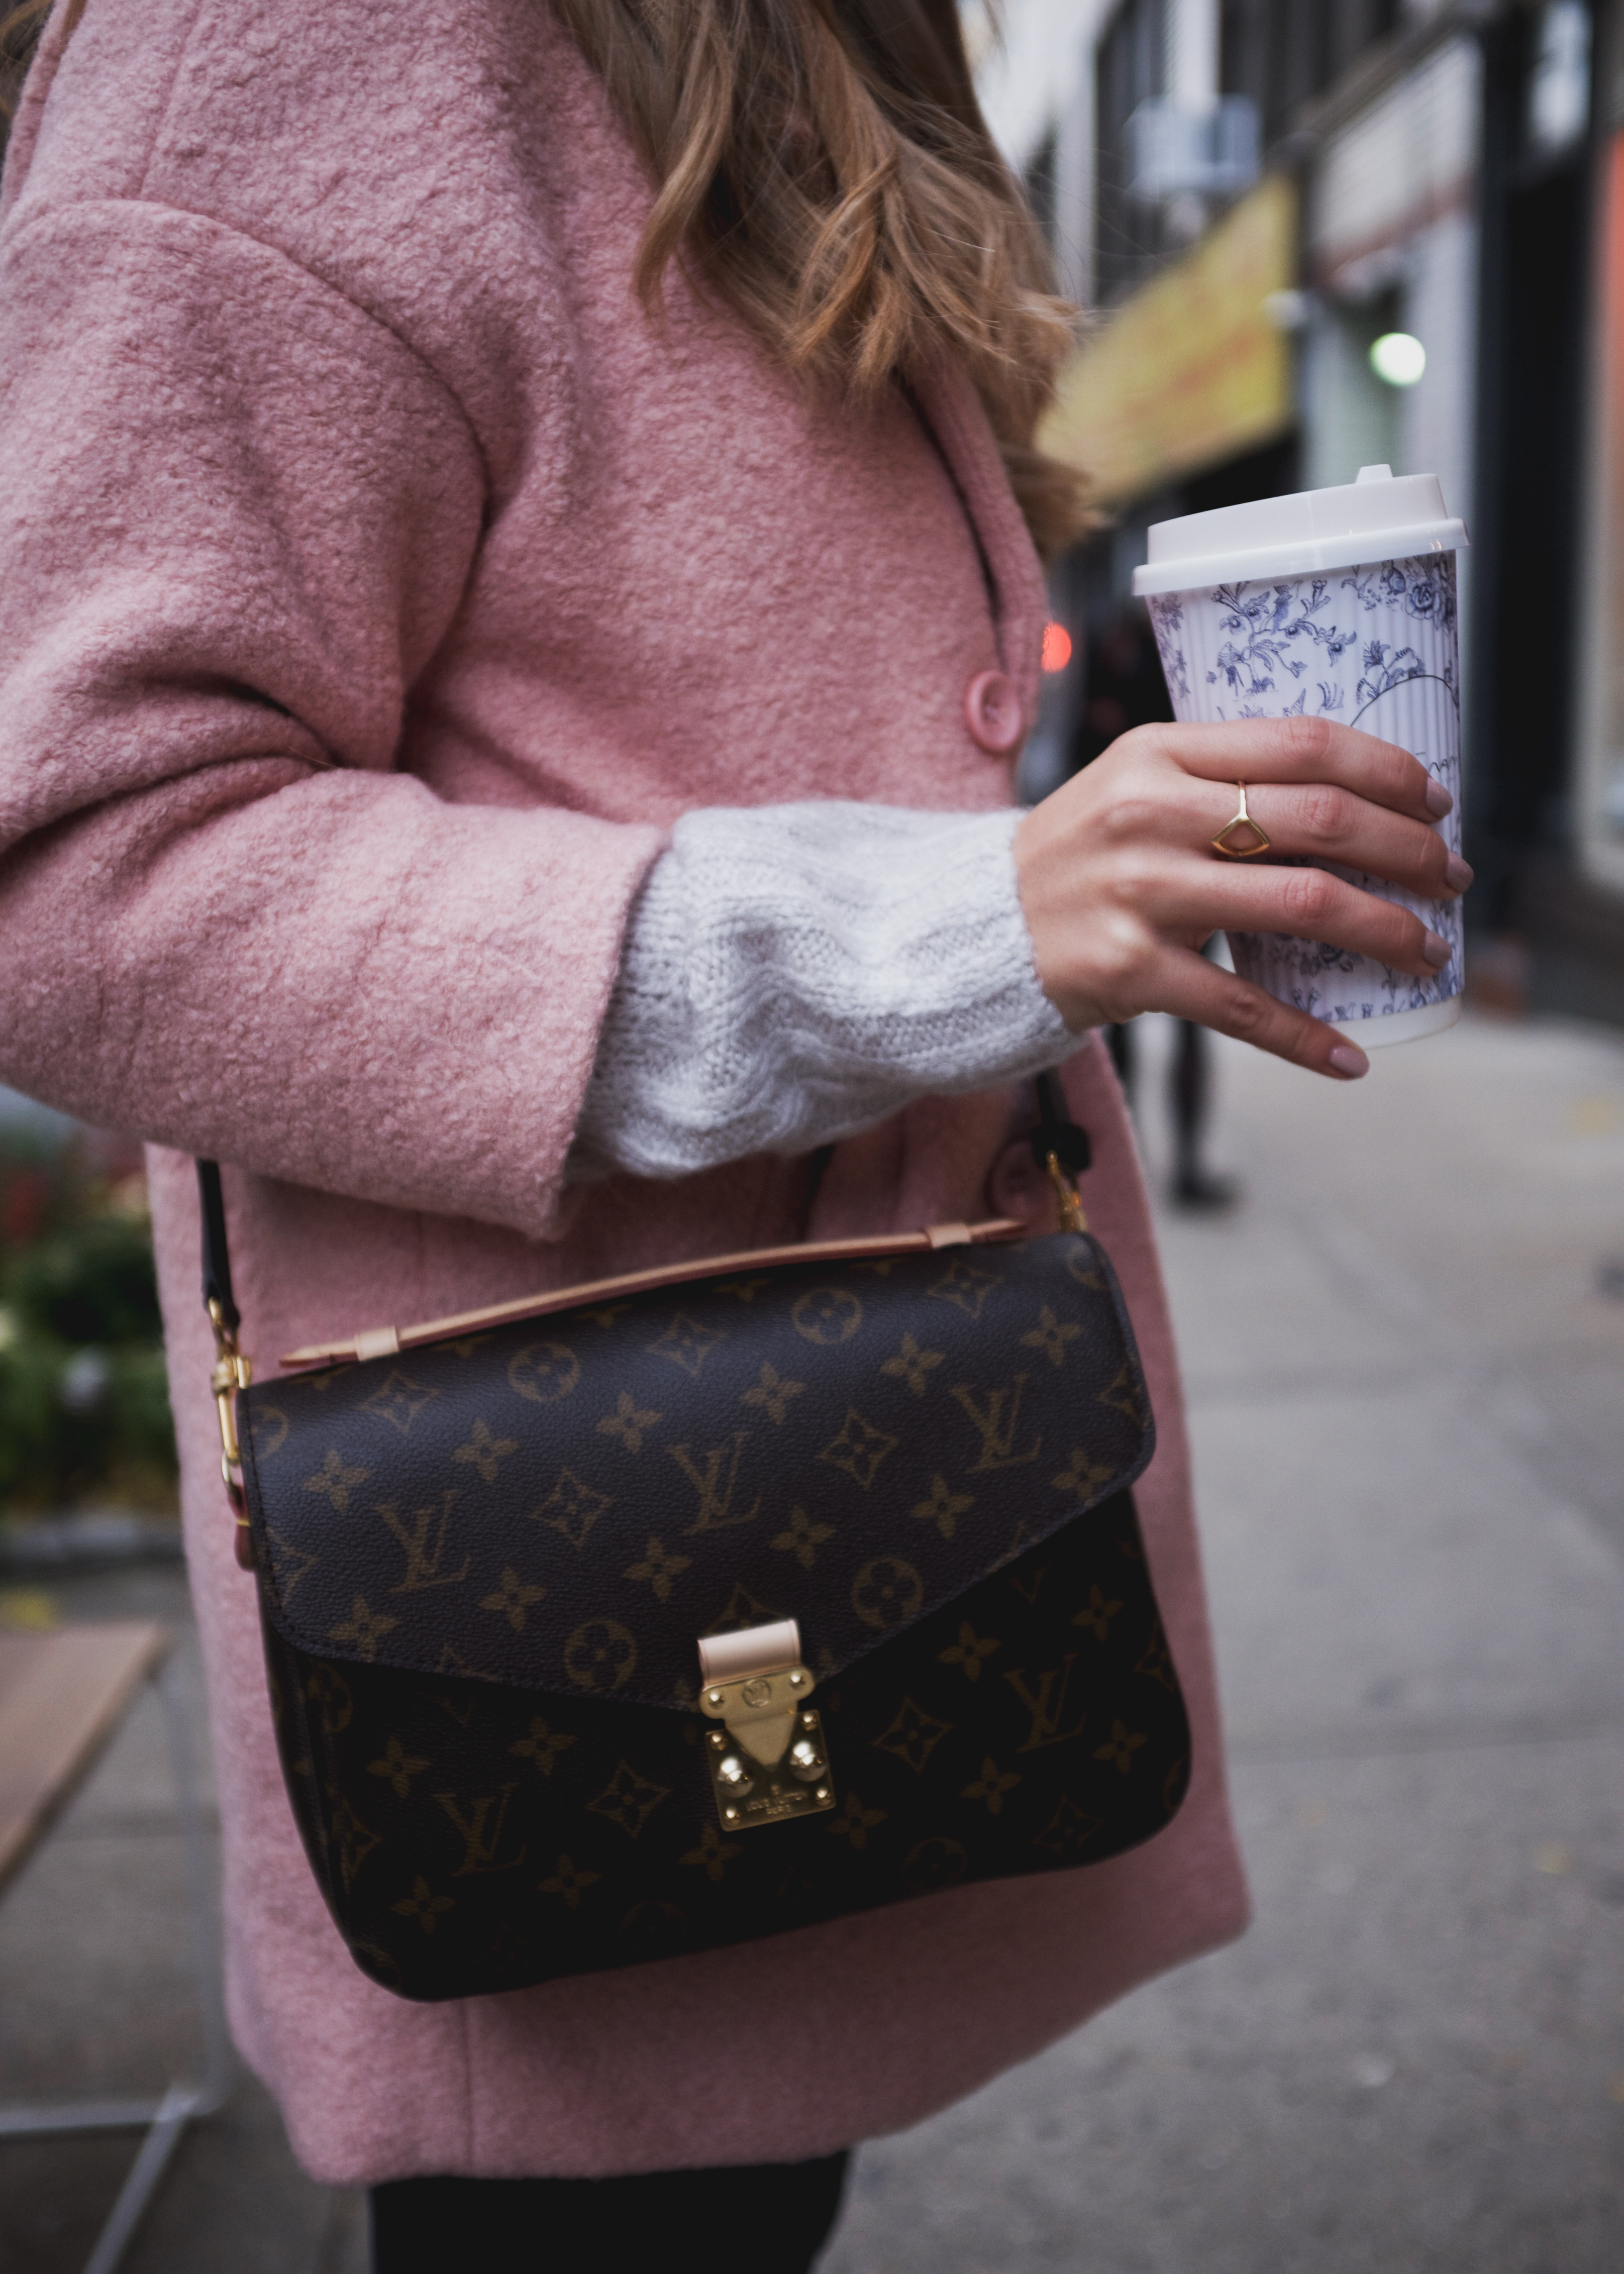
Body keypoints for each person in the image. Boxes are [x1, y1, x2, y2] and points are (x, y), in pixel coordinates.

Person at [0, 0, 1468, 2263]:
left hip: (823, 1502)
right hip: (569, 1592)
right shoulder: (287, 47)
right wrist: (939, 931)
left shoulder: (792, 44)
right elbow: (77, 871)